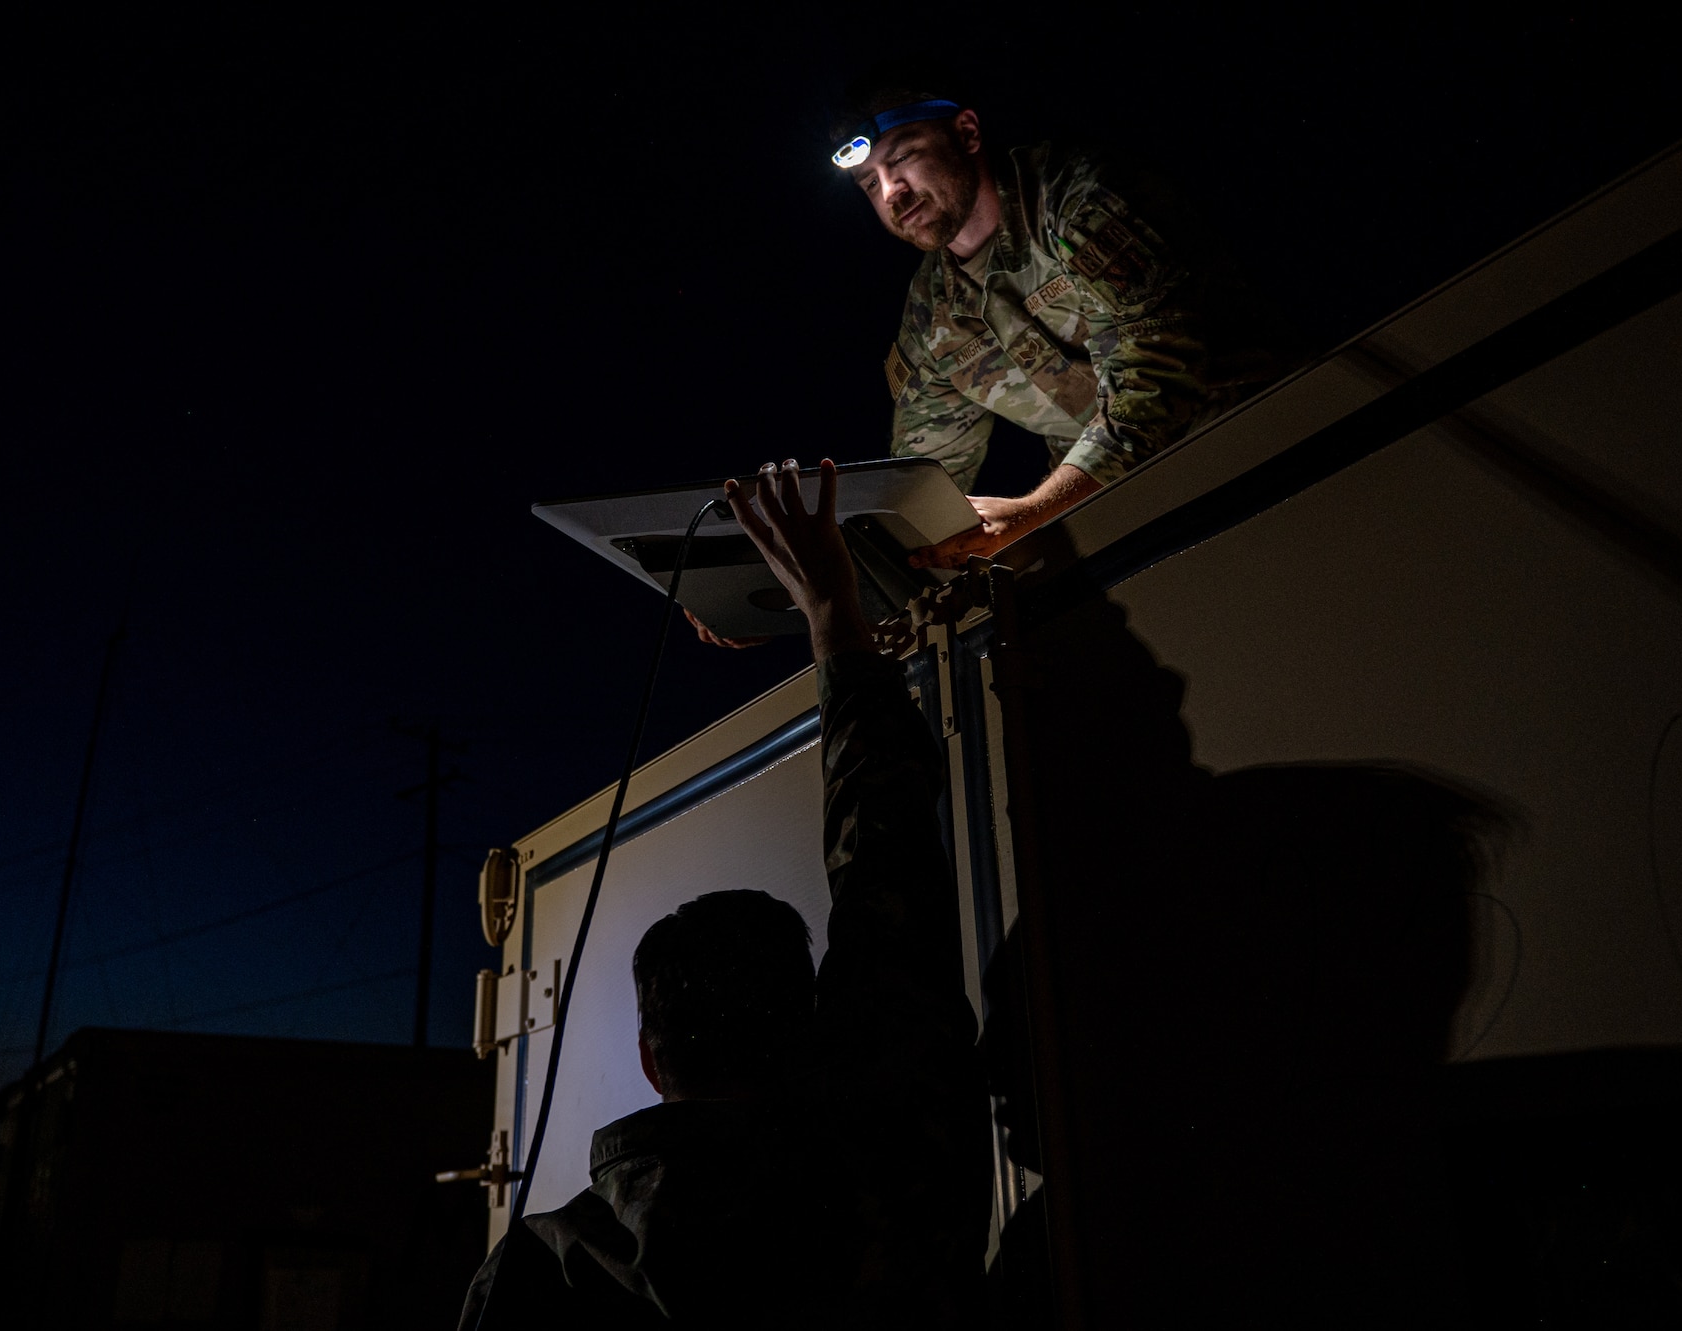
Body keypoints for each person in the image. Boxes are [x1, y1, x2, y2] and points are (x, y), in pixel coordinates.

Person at [461, 459, 988, 1328]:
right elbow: (889, 870)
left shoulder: (537, 1274)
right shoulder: (893, 1179)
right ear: (808, 1028)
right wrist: (832, 613)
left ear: (650, 1058)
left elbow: (886, 889)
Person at [839, 77, 1294, 571]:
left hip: (1267, 443)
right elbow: (921, 490)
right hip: (1124, 512)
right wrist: (812, 586)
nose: (891, 192)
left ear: (967, 134)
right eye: (869, 183)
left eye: (903, 157)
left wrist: (1033, 512)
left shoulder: (1074, 199)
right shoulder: (931, 316)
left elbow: (1158, 380)